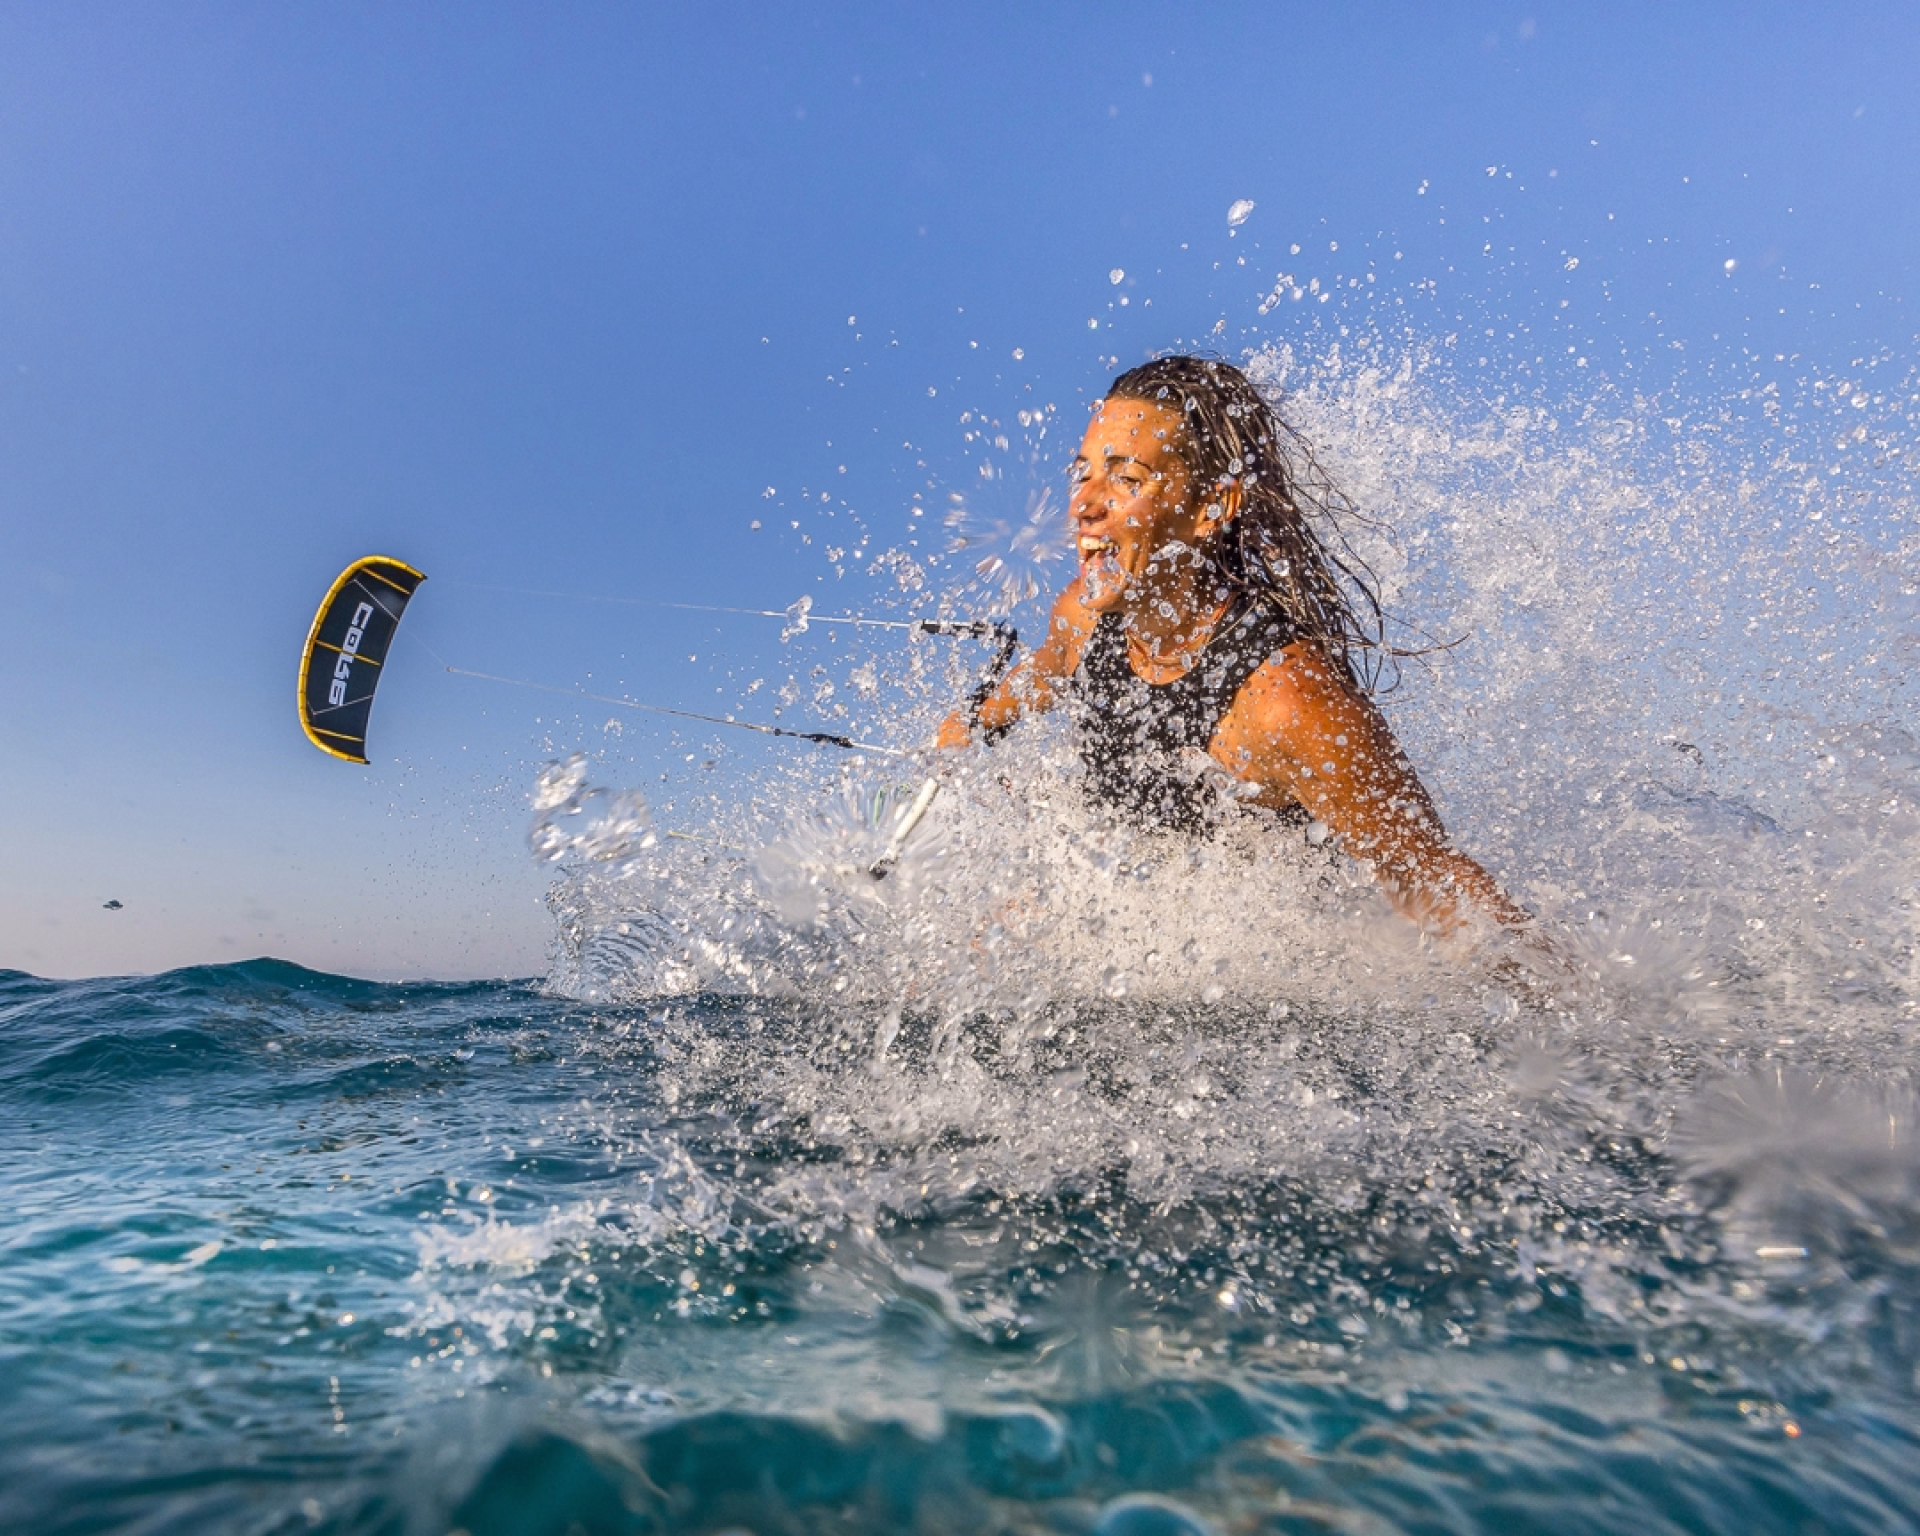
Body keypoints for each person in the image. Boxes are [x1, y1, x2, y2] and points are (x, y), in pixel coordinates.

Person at [936, 354, 1531, 938]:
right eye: (1083, 473)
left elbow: (1434, 880)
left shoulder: (1288, 705)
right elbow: (1048, 669)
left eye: (1127, 479)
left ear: (1210, 508)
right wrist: (975, 720)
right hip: (1116, 917)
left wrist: (1561, 989)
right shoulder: (1083, 617)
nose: (1083, 505)